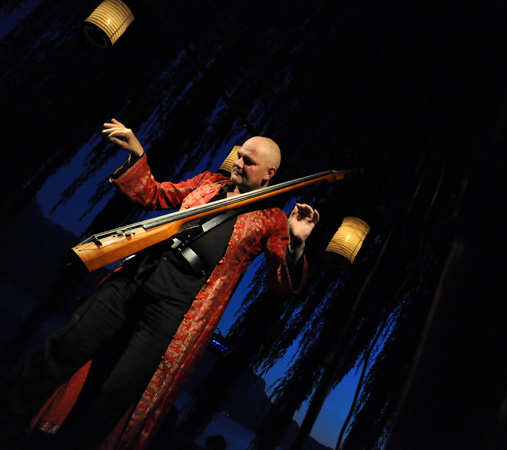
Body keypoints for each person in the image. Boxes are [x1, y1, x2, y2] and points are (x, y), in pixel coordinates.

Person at [0, 119, 319, 450]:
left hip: (173, 311)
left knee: (114, 395)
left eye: (248, 162)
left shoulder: (272, 219)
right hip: (133, 279)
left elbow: (283, 282)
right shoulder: (209, 183)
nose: (238, 163)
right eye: (240, 155)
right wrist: (138, 154)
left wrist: (296, 246)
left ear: (268, 173)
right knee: (60, 350)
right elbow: (154, 194)